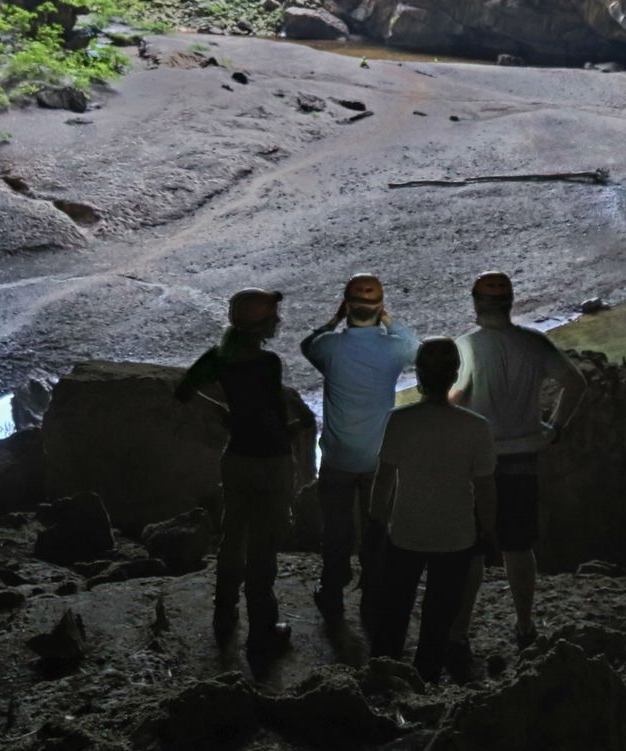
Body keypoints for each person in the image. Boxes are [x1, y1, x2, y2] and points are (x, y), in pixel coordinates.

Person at [451, 269, 590, 651]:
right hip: (524, 459)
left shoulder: (466, 346)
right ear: (510, 302)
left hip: (479, 462)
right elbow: (575, 383)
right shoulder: (534, 343)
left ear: (476, 303)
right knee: (518, 545)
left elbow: (454, 398)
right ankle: (525, 624)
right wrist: (554, 428)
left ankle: (459, 631)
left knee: (473, 549)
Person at [176, 288, 300, 650]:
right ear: (261, 325)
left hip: (237, 457)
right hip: (271, 460)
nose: (278, 320)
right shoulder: (268, 363)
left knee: (233, 536)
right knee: (263, 543)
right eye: (273, 316)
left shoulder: (219, 358)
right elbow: (272, 415)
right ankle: (263, 627)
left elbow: (184, 392)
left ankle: (224, 612)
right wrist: (294, 431)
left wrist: (222, 411)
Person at [369, 338, 495, 681]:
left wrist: (375, 523)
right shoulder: (476, 427)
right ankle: (425, 681)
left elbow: (384, 481)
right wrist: (488, 531)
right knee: (438, 618)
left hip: (406, 532)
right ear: (455, 374)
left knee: (394, 611)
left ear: (419, 375)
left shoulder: (400, 421)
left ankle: (386, 678)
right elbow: (485, 488)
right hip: (456, 537)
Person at [299, 273, 419, 625]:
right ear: (380, 308)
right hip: (379, 459)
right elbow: (415, 346)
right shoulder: (394, 349)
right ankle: (373, 595)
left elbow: (308, 343)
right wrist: (388, 319)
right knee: (377, 527)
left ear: (346, 306)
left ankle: (333, 592)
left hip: (337, 458)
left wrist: (334, 320)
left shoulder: (329, 348)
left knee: (337, 530)